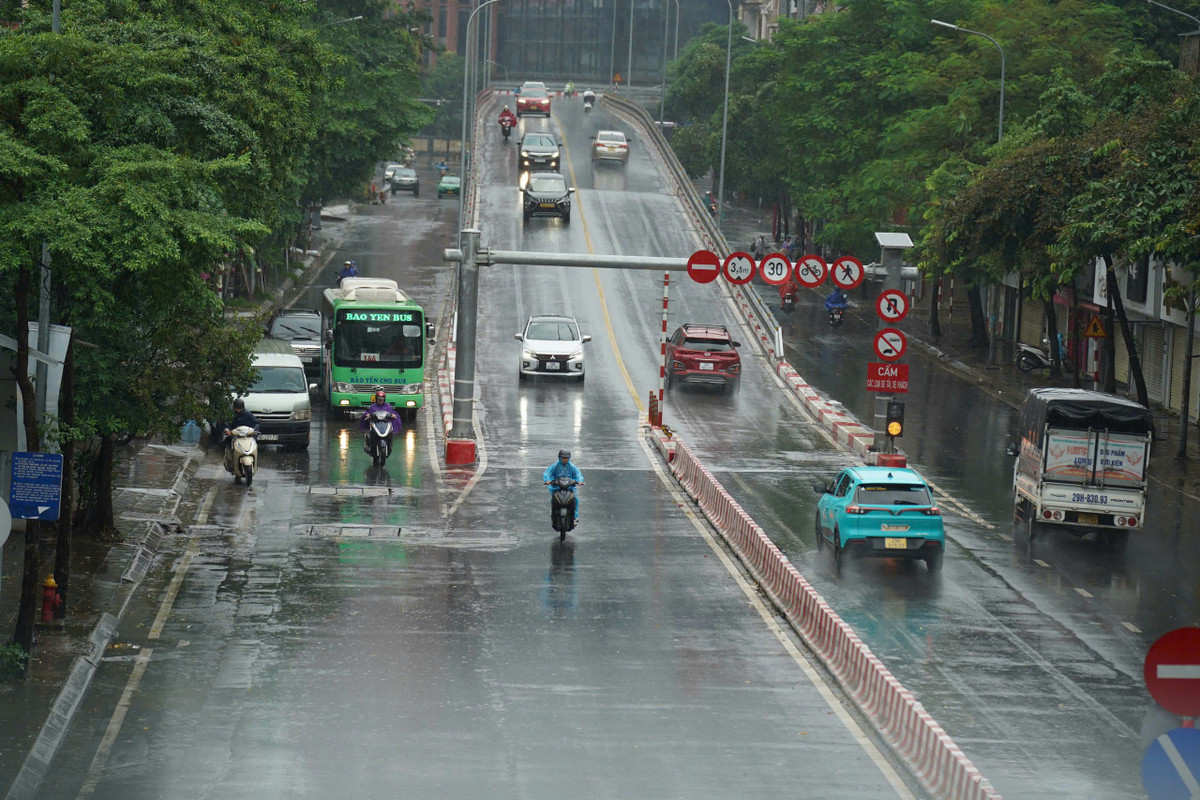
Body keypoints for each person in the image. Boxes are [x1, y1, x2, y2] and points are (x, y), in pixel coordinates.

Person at [543, 449, 584, 523]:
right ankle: (553, 512)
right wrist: (547, 480)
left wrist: (580, 481)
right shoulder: (555, 466)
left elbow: (578, 474)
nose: (565, 460)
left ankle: (575, 516)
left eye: (567, 458)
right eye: (563, 458)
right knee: (554, 499)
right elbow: (547, 473)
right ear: (559, 458)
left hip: (569, 487)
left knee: (575, 500)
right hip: (557, 487)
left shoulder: (572, 467)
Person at [222, 398, 259, 469]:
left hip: (247, 435)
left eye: (240, 409)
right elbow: (226, 424)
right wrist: (228, 430)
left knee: (255, 446)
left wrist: (255, 430)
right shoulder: (231, 414)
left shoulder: (248, 414)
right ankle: (231, 462)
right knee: (227, 445)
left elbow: (256, 423)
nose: (238, 410)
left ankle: (255, 463)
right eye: (237, 408)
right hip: (234, 435)